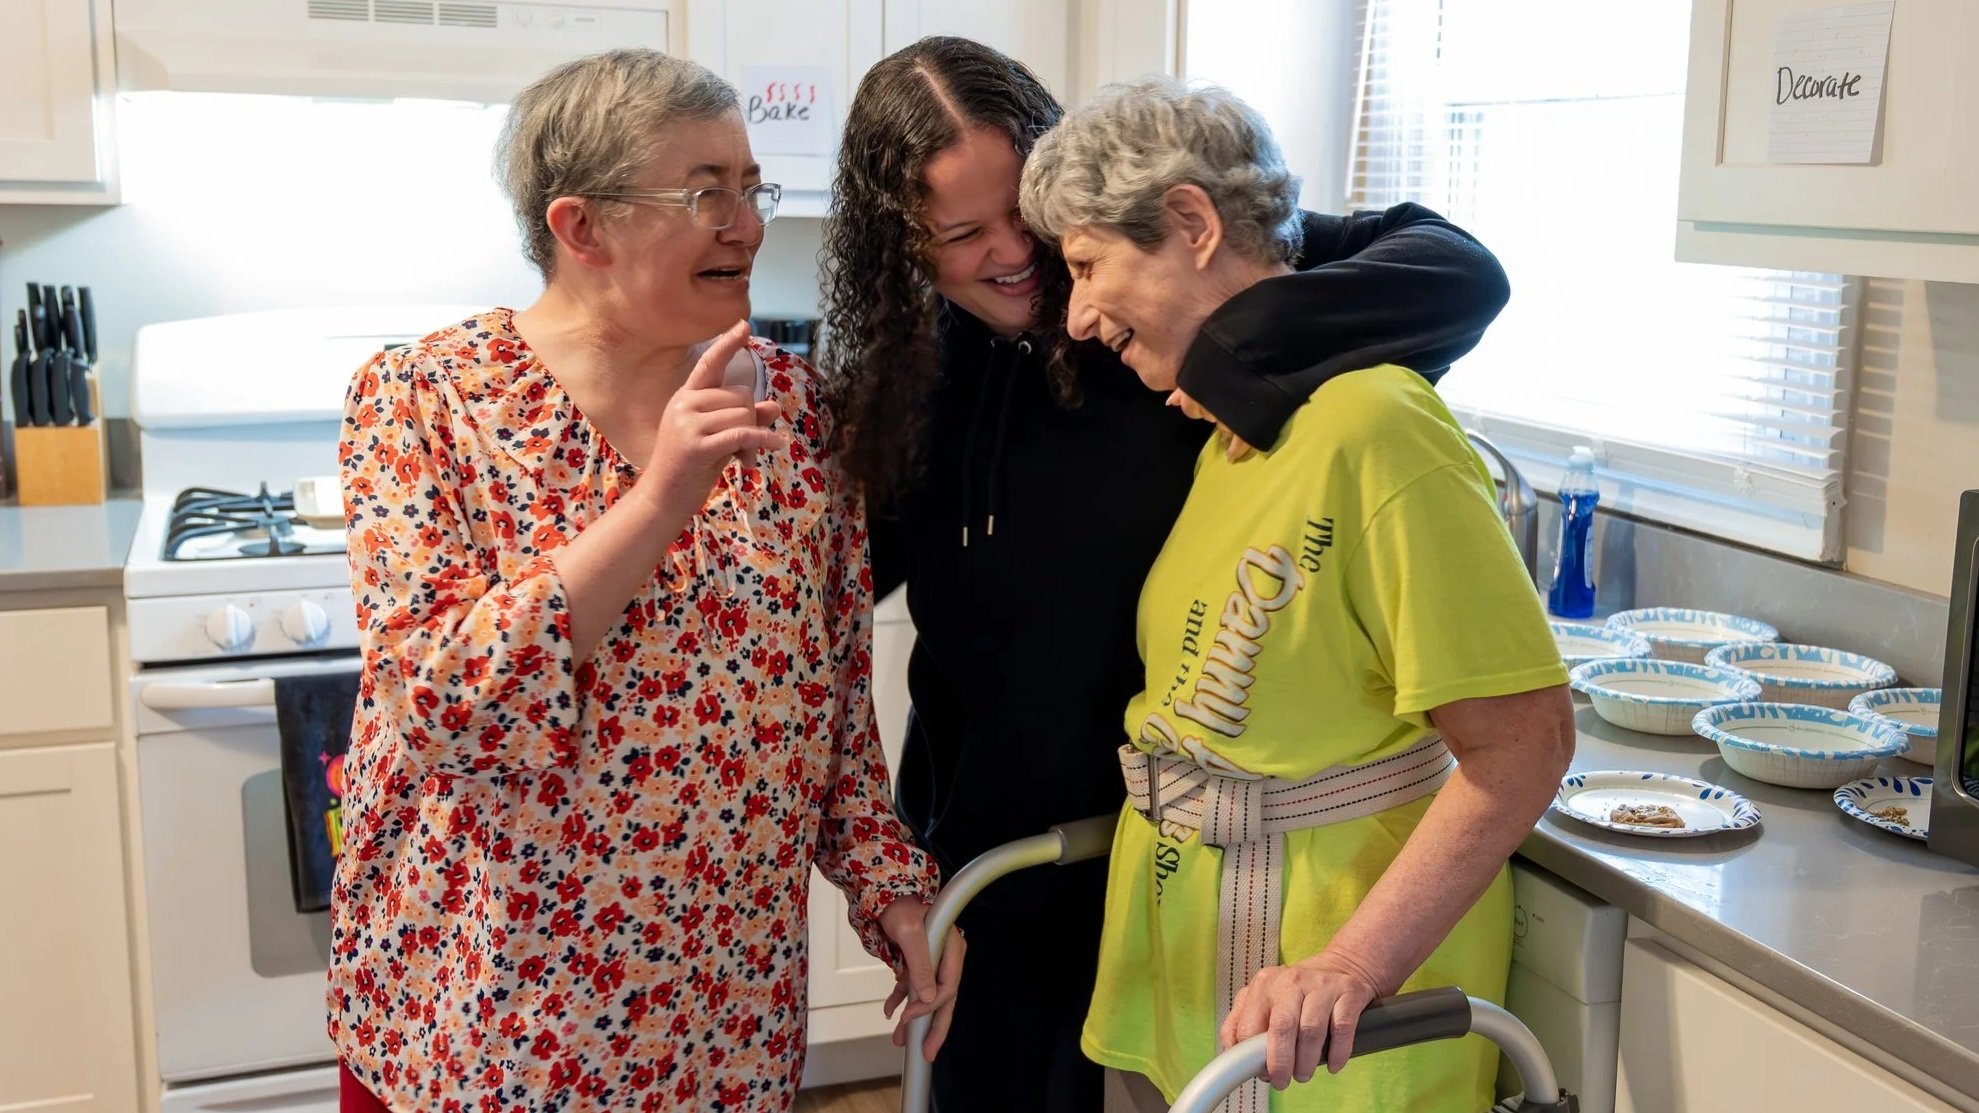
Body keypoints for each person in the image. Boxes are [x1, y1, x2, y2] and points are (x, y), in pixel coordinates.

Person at [818, 35, 1516, 1113]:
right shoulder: (905, 381)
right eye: (961, 234)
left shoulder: (1160, 311)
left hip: (1165, 864)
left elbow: (1459, 270)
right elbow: (816, 602)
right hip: (990, 872)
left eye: (1031, 218)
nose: (1018, 256)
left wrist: (1227, 352)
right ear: (901, 245)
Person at [328, 49, 960, 1113]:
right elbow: (444, 702)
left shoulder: (799, 416)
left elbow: (832, 704)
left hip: (724, 1009)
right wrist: (659, 497)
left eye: (751, 188)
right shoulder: (427, 398)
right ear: (580, 228)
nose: (746, 224)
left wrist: (889, 888)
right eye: (703, 191)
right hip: (500, 1006)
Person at [1015, 78, 1576, 1112]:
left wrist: (1353, 968)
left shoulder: (1377, 427)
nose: (1079, 314)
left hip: (1325, 1018)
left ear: (1189, 223)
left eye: (1088, 265)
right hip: (1172, 984)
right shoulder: (1229, 425)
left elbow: (1522, 743)